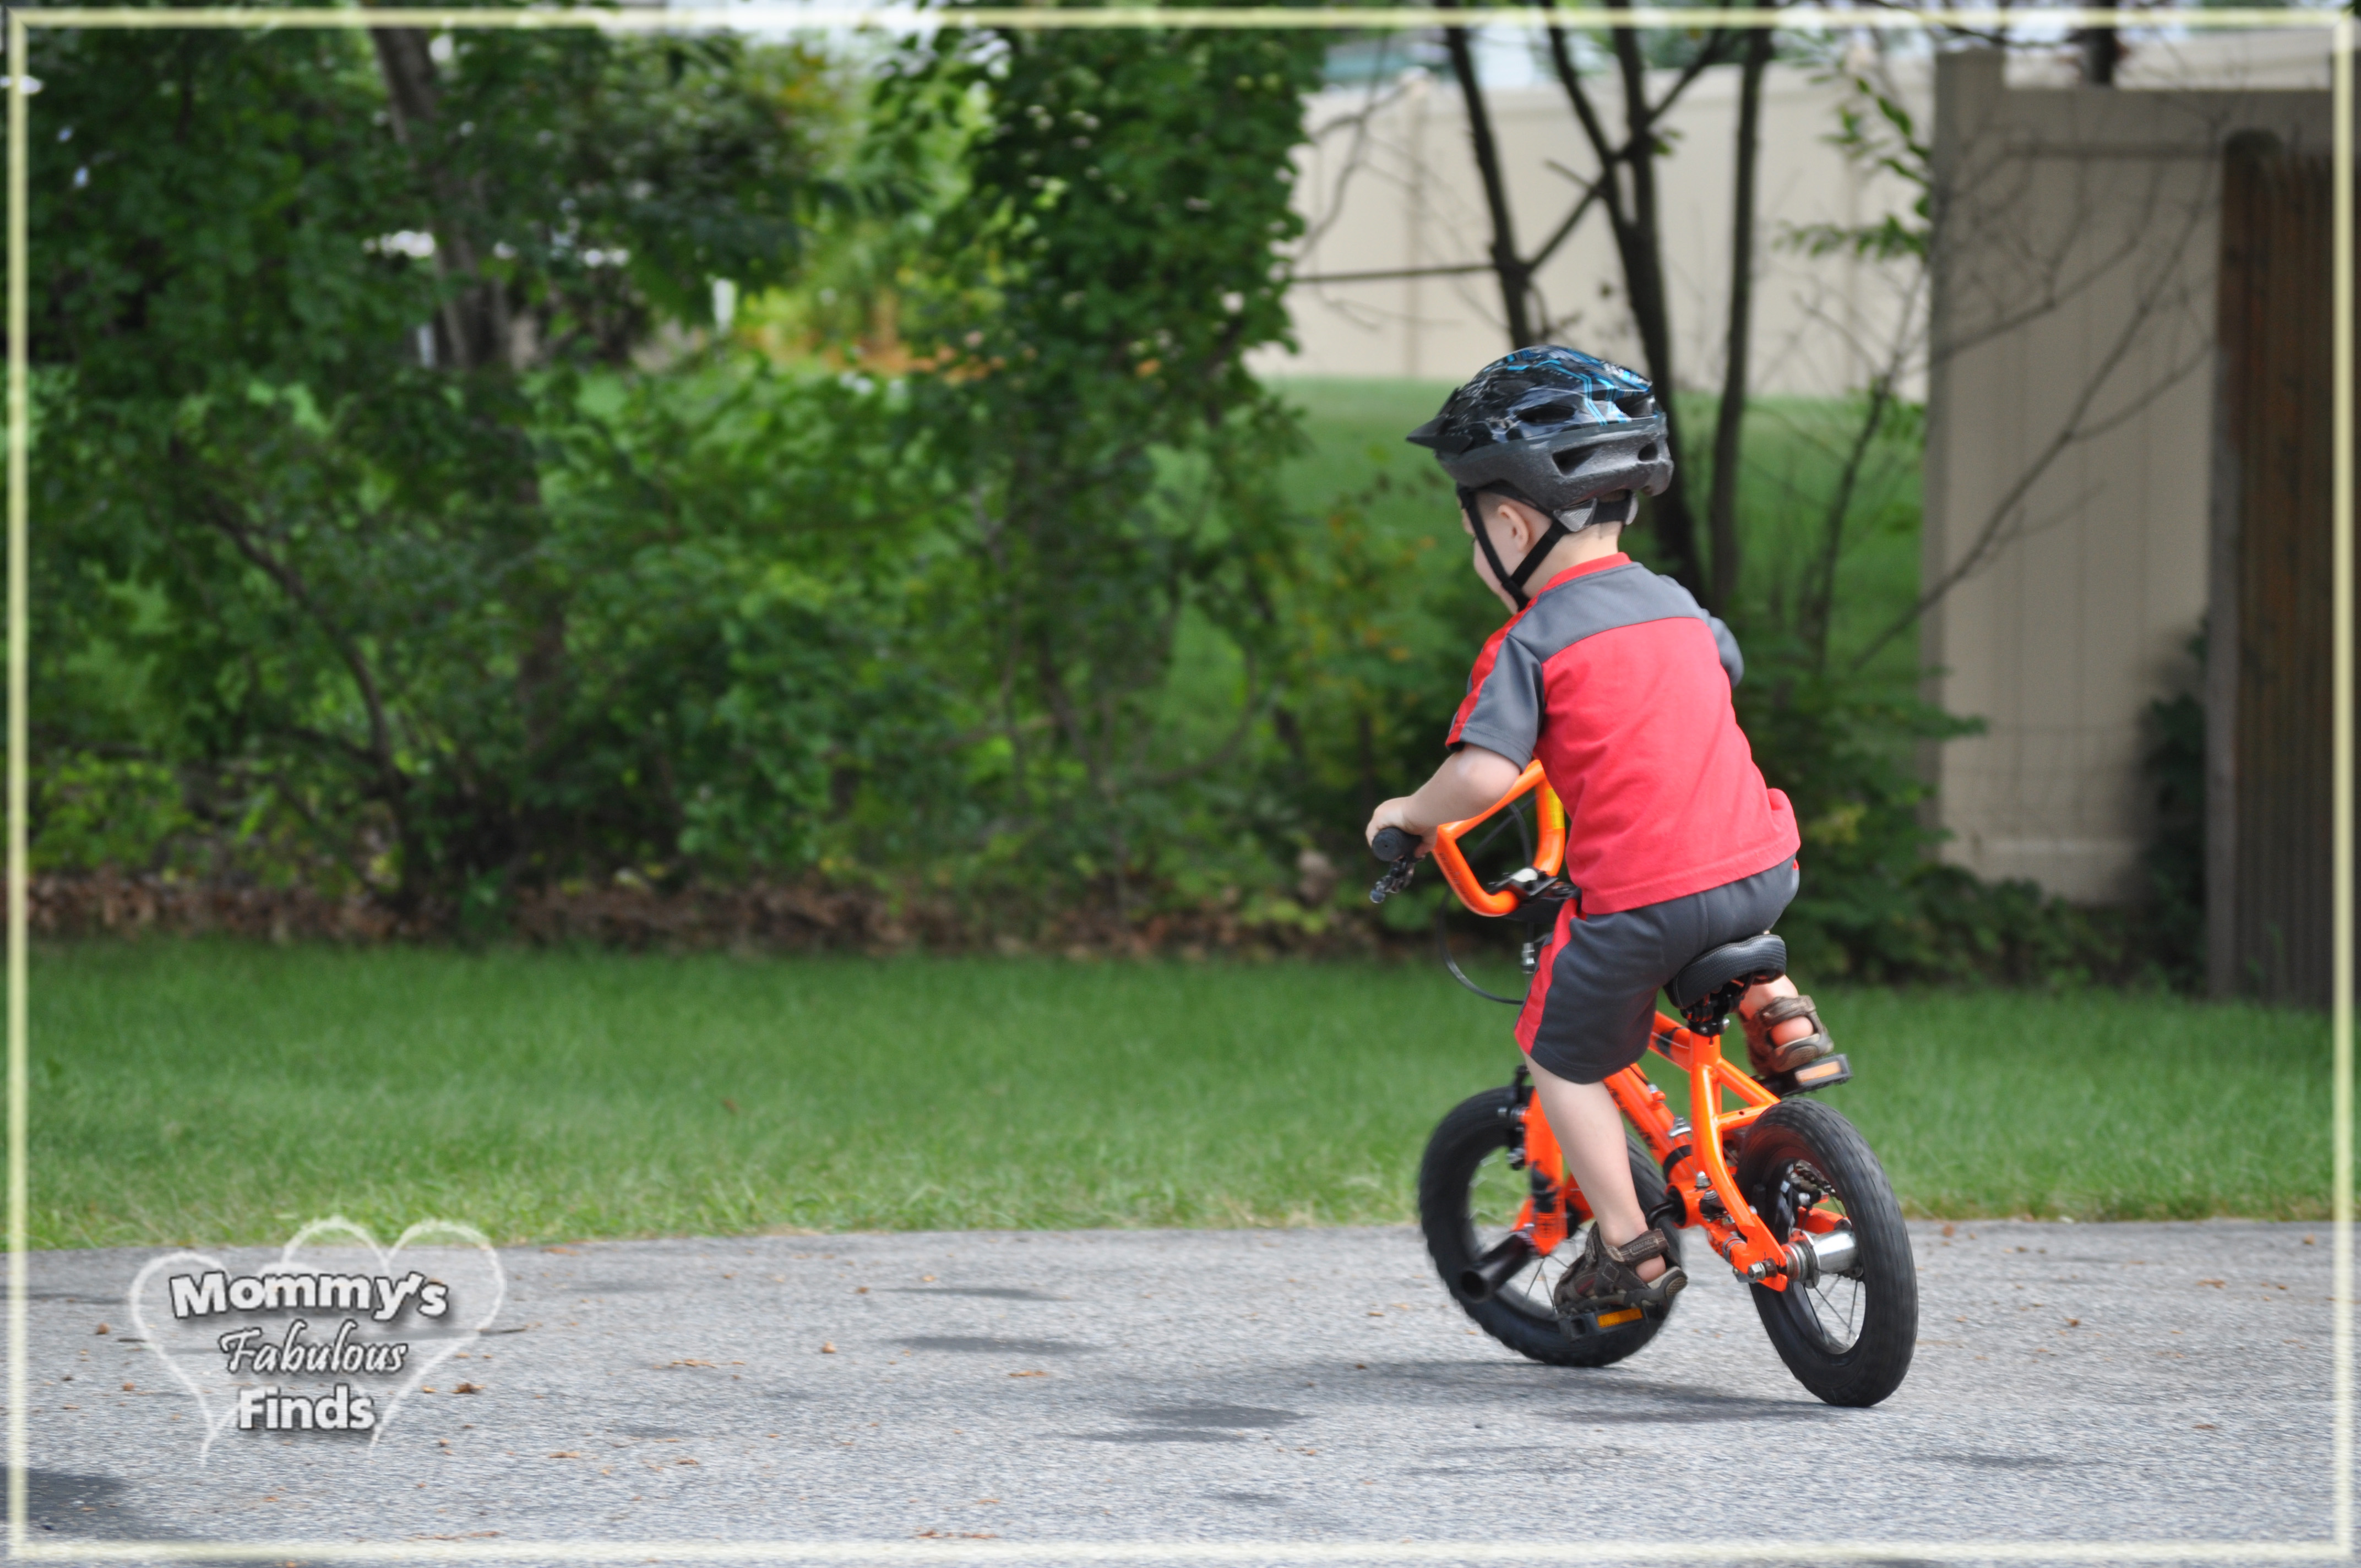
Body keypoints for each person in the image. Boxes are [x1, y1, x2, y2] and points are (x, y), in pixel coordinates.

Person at [1364, 346, 1833, 1326]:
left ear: (1510, 524)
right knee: (1717, 904)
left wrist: (1410, 815)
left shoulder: (1530, 642)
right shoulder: (1676, 607)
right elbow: (1718, 670)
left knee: (1561, 1056)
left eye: (1472, 533)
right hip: (1765, 865)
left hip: (1645, 899)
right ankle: (1779, 1003)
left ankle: (1628, 1246)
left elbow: (1485, 774)